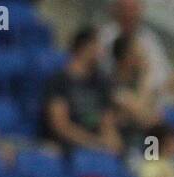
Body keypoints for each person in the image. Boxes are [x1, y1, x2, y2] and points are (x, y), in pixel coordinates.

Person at [40, 26, 122, 154]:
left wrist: (113, 141)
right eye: (99, 46)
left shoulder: (100, 82)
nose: (103, 52)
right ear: (86, 47)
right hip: (69, 148)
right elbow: (60, 125)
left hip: (96, 148)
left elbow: (107, 121)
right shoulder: (60, 81)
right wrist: (94, 143)